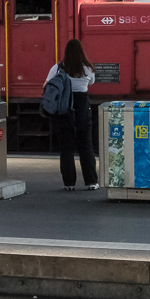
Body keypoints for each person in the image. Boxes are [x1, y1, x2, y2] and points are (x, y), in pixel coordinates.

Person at [47, 39, 98, 191]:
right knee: (86, 146)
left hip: (64, 108)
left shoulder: (58, 67)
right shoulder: (88, 68)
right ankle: (91, 182)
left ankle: (69, 183)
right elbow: (91, 83)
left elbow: (48, 84)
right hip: (82, 107)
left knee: (66, 148)